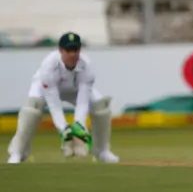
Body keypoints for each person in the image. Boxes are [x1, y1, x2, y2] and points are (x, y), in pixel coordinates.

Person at [7, 32, 119, 164]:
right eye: (68, 50)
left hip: (74, 89)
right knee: (32, 108)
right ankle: (17, 153)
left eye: (75, 50)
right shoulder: (48, 66)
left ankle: (102, 151)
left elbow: (82, 101)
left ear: (80, 50)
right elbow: (54, 105)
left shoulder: (87, 65)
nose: (72, 54)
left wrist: (79, 125)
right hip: (45, 88)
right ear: (60, 50)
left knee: (101, 107)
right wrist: (63, 129)